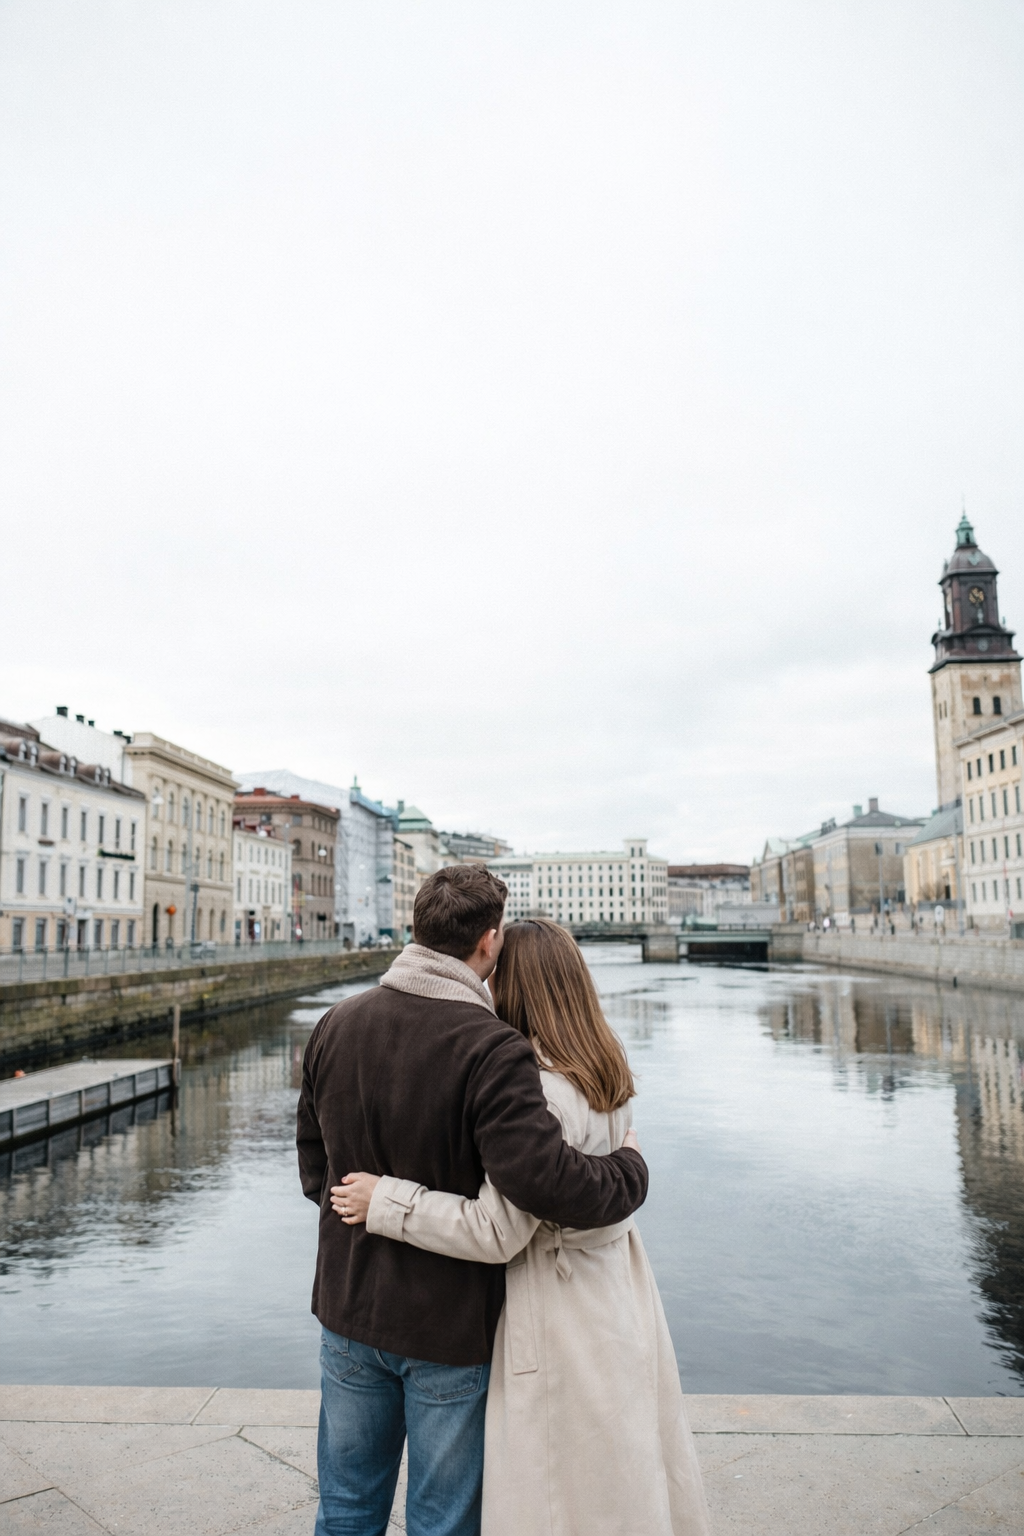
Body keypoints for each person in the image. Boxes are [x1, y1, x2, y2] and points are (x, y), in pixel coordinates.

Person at [297, 868, 648, 1536]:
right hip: (446, 1324)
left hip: (348, 1306)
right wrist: (631, 1170)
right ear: (489, 943)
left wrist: (360, 1212)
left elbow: (316, 1170)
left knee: (345, 1505)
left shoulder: (335, 1023)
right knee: (442, 1519)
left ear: (415, 928)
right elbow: (546, 1183)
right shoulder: (493, 1048)